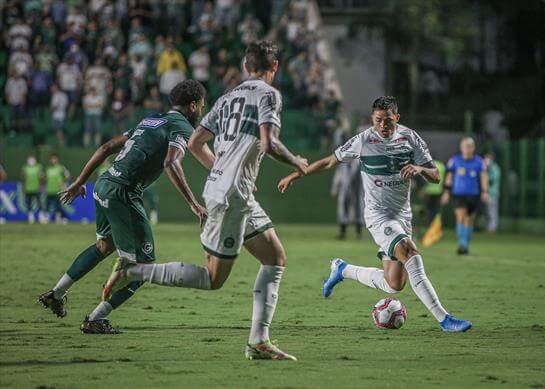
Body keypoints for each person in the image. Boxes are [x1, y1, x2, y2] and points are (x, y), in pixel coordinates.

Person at [102, 41, 308, 360]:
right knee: (213, 279)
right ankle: (134, 271)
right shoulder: (269, 95)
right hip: (231, 196)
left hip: (230, 190)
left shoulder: (227, 98)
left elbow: (197, 142)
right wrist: (297, 162)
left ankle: (259, 341)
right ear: (275, 67)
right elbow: (269, 144)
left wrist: (224, 170)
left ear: (245, 67)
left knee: (275, 257)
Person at [278, 96, 472, 333]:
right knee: (411, 253)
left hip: (403, 217)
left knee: (395, 284)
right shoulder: (363, 140)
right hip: (378, 216)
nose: (383, 125)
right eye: (378, 120)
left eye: (388, 120)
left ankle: (343, 269)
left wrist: (419, 168)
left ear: (396, 118)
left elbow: (435, 175)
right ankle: (445, 319)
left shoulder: (410, 138)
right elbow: (329, 162)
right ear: (372, 119)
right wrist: (295, 175)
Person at [38, 80, 208, 334]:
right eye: (202, 107)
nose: (202, 112)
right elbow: (172, 163)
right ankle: (96, 318)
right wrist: (194, 204)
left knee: (104, 246)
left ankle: (56, 293)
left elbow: (106, 147)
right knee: (145, 264)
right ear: (193, 106)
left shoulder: (150, 120)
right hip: (123, 192)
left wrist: (79, 182)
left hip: (104, 184)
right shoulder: (182, 126)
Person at [441, 137, 489, 255]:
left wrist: (485, 191)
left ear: (473, 148)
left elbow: (483, 177)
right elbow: (449, 177)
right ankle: (462, 244)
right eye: (465, 146)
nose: (468, 148)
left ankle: (466, 244)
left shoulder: (479, 162)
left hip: (473, 194)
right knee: (460, 216)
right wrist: (446, 192)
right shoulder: (455, 160)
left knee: (469, 219)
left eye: (470, 146)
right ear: (461, 147)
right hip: (458, 194)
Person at [331, 158, 362, 239]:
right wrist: (335, 190)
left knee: (357, 211)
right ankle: (342, 233)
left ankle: (358, 233)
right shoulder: (342, 164)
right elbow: (337, 177)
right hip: (344, 190)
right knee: (342, 211)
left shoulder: (358, 164)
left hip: (356, 191)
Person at [45, 154, 70, 223]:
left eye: (55, 159)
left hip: (58, 190)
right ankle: (47, 219)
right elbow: (45, 178)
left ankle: (58, 219)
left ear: (57, 159)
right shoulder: (48, 169)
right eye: (52, 159)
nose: (53, 160)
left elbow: (67, 175)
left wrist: (63, 182)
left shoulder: (61, 167)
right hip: (49, 190)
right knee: (47, 205)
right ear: (50, 160)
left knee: (58, 206)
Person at [22, 155, 44, 224]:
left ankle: (41, 217)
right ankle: (31, 218)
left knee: (39, 203)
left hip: (36, 188)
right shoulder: (25, 167)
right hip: (28, 188)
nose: (31, 161)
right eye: (30, 159)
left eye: (32, 159)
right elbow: (24, 178)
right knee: (28, 203)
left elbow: (41, 177)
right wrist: (24, 186)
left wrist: (41, 185)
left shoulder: (39, 167)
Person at [483, 152, 501, 232]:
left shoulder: (495, 168)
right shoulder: (483, 168)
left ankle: (493, 228)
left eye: (488, 159)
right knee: (486, 211)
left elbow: (492, 179)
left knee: (492, 211)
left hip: (493, 193)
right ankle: (488, 227)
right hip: (484, 194)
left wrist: (488, 170)